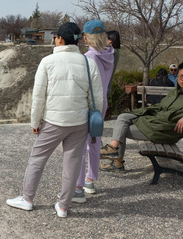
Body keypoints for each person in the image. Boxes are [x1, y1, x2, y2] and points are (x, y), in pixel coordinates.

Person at [6, 22, 103, 218]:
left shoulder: (48, 61)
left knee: (37, 159)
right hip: (79, 122)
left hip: (54, 121)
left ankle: (28, 198)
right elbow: (97, 99)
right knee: (72, 163)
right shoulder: (87, 62)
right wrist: (91, 117)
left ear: (59, 38)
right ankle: (63, 206)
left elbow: (38, 96)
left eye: (56, 36)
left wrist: (35, 123)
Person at [100, 61, 183, 172]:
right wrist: (139, 112)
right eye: (181, 76)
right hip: (155, 125)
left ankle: (116, 159)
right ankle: (114, 151)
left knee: (121, 129)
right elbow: (159, 106)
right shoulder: (176, 91)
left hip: (164, 132)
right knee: (123, 117)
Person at [74, 20, 114, 201]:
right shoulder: (110, 54)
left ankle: (78, 185)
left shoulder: (88, 57)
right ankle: (91, 179)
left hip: (88, 104)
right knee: (95, 141)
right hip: (102, 102)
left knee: (80, 144)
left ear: (86, 37)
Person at [106, 30, 121, 101]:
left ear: (110, 41)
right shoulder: (115, 51)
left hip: (106, 87)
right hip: (108, 86)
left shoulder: (112, 52)